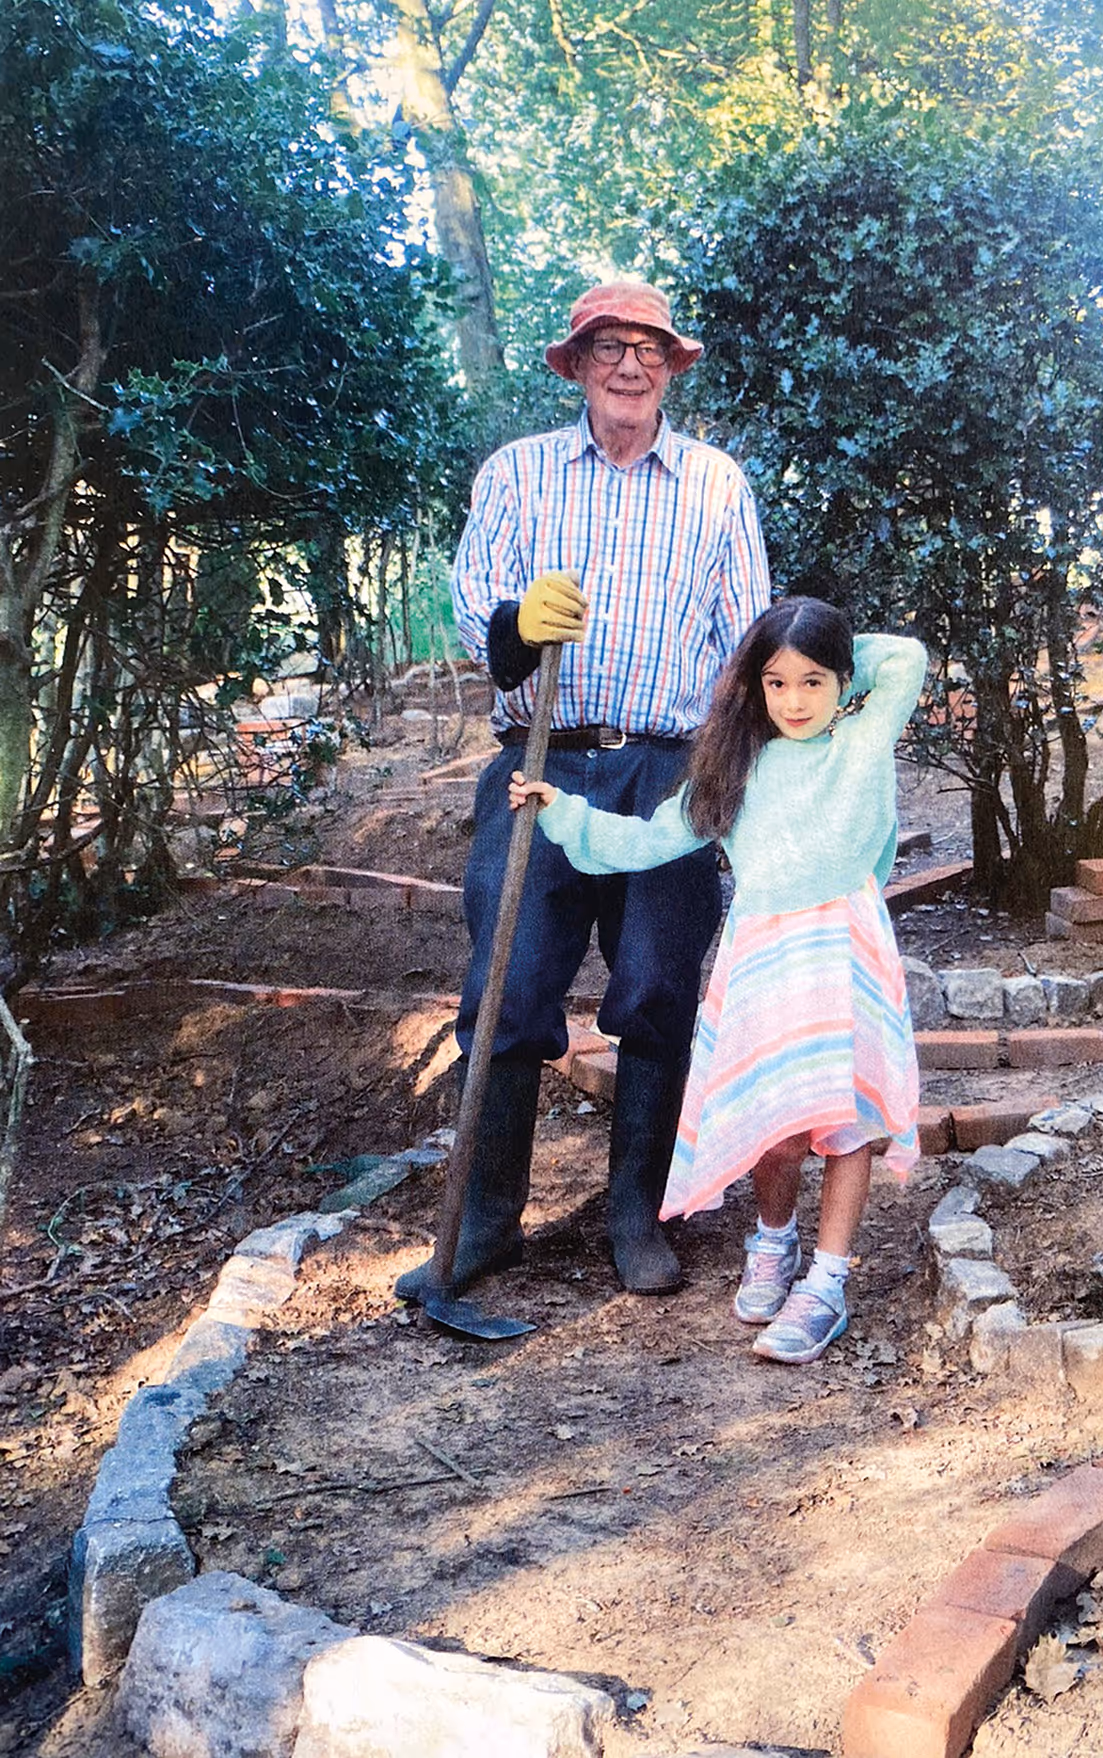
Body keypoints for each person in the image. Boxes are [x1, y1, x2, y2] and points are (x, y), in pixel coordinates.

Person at [395, 280, 770, 1304]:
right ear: (576, 363)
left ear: (671, 366)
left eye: (649, 348)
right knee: (507, 987)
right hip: (541, 760)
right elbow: (477, 614)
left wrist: (746, 773)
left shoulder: (713, 483)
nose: (630, 365)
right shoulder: (517, 475)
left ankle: (634, 1220)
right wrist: (521, 623)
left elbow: (746, 643)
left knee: (653, 989)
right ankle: (483, 1225)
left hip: (666, 771)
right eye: (608, 346)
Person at [509, 596, 926, 1364]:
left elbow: (906, 658)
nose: (794, 701)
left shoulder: (864, 738)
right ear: (753, 688)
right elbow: (645, 841)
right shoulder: (737, 766)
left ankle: (827, 1281)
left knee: (850, 1114)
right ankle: (775, 1240)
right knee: (778, 1120)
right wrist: (563, 812)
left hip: (845, 945)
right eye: (775, 683)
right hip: (765, 956)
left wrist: (816, 644)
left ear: (841, 683)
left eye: (813, 682)